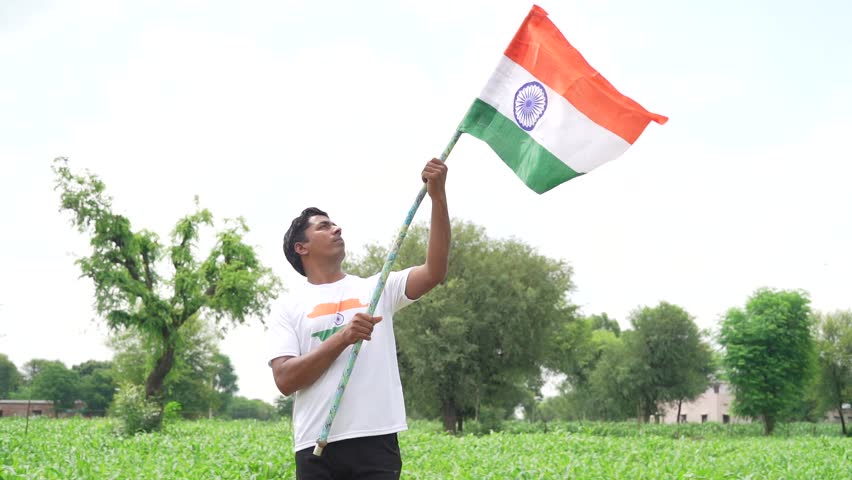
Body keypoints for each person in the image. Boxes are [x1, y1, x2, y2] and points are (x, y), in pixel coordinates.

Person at [267, 158, 450, 479]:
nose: (336, 228)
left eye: (334, 223)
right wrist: (343, 338)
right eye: (323, 226)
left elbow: (434, 271)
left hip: (376, 440)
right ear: (301, 247)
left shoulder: (377, 289)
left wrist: (438, 197)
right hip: (315, 446)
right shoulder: (288, 307)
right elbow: (284, 380)